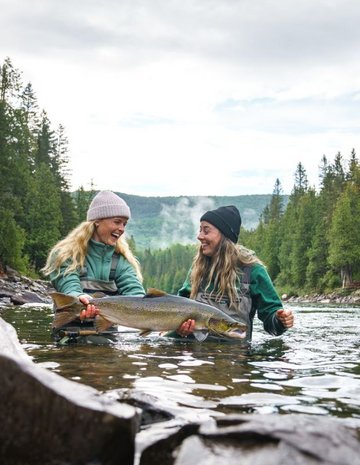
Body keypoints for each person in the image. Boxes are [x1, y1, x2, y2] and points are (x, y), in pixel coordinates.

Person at [174, 205, 294, 342]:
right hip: (196, 358)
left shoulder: (253, 271)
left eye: (206, 231)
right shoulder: (198, 269)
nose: (199, 236)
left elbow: (272, 322)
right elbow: (178, 308)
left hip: (236, 357)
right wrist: (180, 329)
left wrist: (281, 321)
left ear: (225, 236)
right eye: (200, 230)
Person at [42, 190, 145, 344]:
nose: (122, 229)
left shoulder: (122, 261)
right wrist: (79, 299)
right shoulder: (66, 254)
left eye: (124, 224)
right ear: (97, 221)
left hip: (107, 336)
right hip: (70, 333)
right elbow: (69, 286)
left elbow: (136, 295)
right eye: (117, 222)